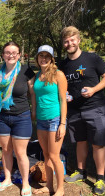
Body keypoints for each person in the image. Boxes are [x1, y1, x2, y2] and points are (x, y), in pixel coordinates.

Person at [59, 26, 105, 196]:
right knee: (80, 141)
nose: (70, 43)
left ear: (79, 40)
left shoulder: (92, 58)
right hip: (74, 110)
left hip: (94, 107)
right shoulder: (63, 64)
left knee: (98, 143)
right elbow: (62, 85)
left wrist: (93, 89)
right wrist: (66, 95)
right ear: (63, 44)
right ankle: (80, 172)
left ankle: (100, 178)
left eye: (72, 39)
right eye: (66, 41)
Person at [0, 41, 35, 196]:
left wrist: (34, 111)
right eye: (7, 52)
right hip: (2, 117)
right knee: (6, 150)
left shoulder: (26, 71)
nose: (10, 55)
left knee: (20, 152)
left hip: (22, 116)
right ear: (3, 54)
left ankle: (25, 183)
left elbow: (32, 93)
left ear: (18, 55)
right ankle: (8, 178)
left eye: (14, 53)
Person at [32, 45, 67, 196]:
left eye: (47, 56)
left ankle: (60, 189)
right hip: (41, 120)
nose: (43, 59)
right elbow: (34, 94)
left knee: (54, 156)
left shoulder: (59, 75)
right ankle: (49, 186)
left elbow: (63, 100)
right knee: (46, 154)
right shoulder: (38, 75)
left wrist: (63, 124)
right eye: (41, 56)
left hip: (55, 119)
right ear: (37, 58)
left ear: (51, 58)